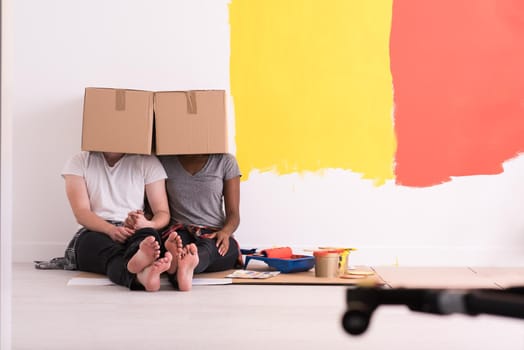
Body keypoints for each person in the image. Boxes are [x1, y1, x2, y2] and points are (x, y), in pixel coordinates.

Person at [61, 151, 172, 291]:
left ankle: (140, 271)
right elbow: (81, 213)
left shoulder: (147, 161)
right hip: (95, 230)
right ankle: (139, 271)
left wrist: (148, 224)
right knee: (101, 248)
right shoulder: (80, 160)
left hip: (133, 230)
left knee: (149, 235)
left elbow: (162, 213)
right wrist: (110, 230)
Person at [157, 153, 242, 291]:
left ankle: (182, 265)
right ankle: (182, 264)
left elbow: (234, 215)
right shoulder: (165, 160)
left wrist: (225, 232)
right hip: (179, 230)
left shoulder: (225, 161)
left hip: (214, 232)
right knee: (178, 245)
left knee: (211, 248)